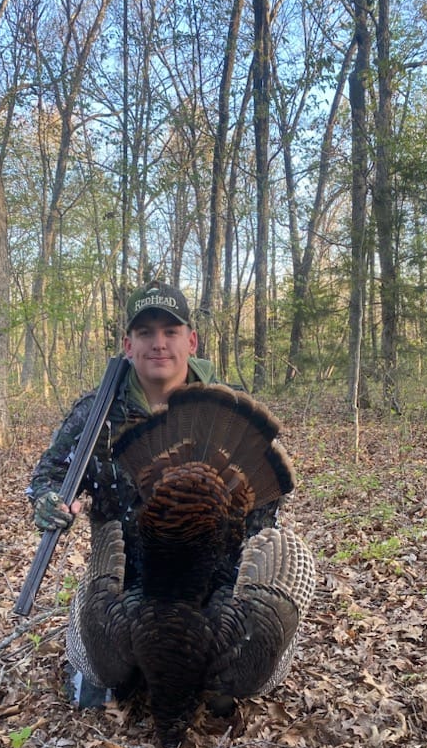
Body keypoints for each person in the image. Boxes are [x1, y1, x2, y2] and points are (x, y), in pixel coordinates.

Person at [26, 279, 283, 703]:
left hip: (212, 581)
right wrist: (50, 501)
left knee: (225, 688)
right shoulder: (96, 415)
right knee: (105, 685)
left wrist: (239, 585)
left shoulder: (228, 406)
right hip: (125, 581)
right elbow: (48, 475)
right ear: (128, 344)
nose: (158, 343)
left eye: (170, 331)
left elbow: (266, 506)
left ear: (192, 341)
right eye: (145, 333)